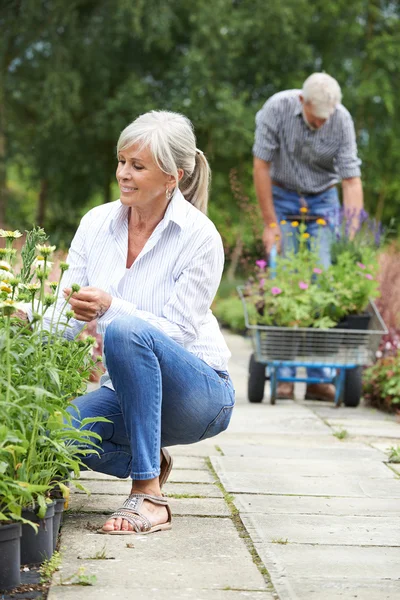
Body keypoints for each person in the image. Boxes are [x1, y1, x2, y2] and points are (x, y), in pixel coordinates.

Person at [50, 111, 234, 534]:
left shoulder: (200, 237)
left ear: (173, 176)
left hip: (199, 395)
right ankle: (152, 456)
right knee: (55, 432)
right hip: (126, 394)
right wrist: (22, 324)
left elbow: (179, 333)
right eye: (121, 162)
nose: (123, 175)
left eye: (137, 166)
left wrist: (112, 307)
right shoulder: (96, 224)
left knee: (126, 329)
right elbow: (65, 314)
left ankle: (148, 495)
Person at [253, 72, 363, 402]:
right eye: (316, 119)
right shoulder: (277, 109)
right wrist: (271, 224)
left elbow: (351, 181)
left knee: (323, 277)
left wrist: (351, 236)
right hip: (283, 194)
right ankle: (284, 375)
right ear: (302, 102)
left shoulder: (340, 119)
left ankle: (316, 379)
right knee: (286, 277)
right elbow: (261, 166)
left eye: (325, 118)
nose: (321, 124)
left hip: (323, 197)